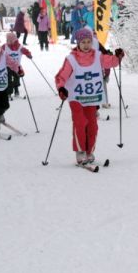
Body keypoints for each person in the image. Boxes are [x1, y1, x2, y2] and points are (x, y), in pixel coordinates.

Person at [54, 26, 124, 168]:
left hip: (91, 98)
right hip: (76, 98)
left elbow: (111, 62)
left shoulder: (98, 56)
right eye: (83, 42)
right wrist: (61, 88)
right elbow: (62, 75)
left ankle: (89, 151)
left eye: (88, 42)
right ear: (78, 43)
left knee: (92, 125)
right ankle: (80, 152)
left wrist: (118, 57)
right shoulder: (71, 59)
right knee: (80, 123)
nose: (86, 45)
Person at [3, 31, 33, 99]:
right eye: (7, 40)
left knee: (17, 77)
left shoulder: (19, 47)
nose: (8, 41)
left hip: (17, 66)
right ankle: (9, 93)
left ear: (14, 40)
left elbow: (25, 50)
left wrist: (28, 54)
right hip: (7, 66)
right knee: (8, 79)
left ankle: (16, 90)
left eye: (9, 40)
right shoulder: (5, 46)